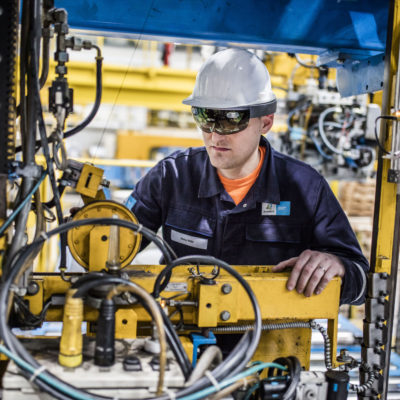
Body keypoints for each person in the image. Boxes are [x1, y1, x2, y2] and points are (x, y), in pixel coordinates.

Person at [126, 48, 369, 305]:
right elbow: (116, 242)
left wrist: (337, 264)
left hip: (270, 339)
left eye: (232, 120)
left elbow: (363, 284)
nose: (215, 135)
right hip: (181, 339)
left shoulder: (305, 188)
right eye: (204, 117)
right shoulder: (172, 177)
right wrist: (95, 230)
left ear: (265, 122)